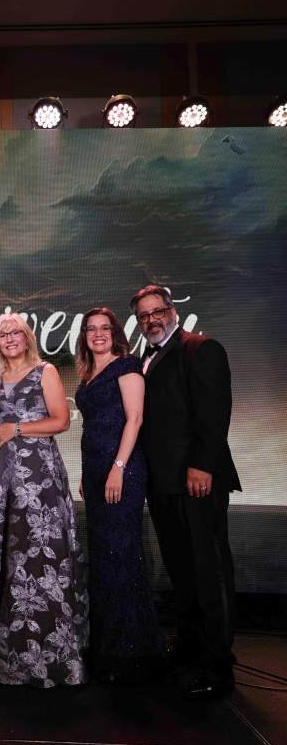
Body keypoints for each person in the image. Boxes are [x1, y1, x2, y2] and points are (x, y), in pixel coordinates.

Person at [129, 284, 241, 701]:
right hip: (164, 483)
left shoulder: (201, 348)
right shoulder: (146, 357)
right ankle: (191, 646)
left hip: (197, 480)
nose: (151, 320)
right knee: (182, 570)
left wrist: (202, 465)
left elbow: (215, 411)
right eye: (144, 316)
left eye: (157, 312)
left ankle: (219, 666)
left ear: (172, 311)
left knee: (209, 570)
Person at [0, 313, 89, 687]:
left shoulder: (45, 371)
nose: (10, 338)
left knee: (41, 552)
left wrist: (17, 428)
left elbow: (62, 421)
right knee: (10, 556)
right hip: (3, 475)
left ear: (27, 337)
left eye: (16, 332)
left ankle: (54, 654)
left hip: (39, 474)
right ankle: (8, 650)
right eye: (3, 334)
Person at [75, 308, 167, 685]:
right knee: (104, 557)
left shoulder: (127, 365)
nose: (98, 334)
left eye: (105, 328)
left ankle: (129, 651)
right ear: (84, 335)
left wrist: (118, 467)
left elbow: (135, 419)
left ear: (116, 333)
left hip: (121, 470)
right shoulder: (88, 371)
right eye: (91, 329)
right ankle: (107, 644)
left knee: (120, 556)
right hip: (97, 472)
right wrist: (89, 475)